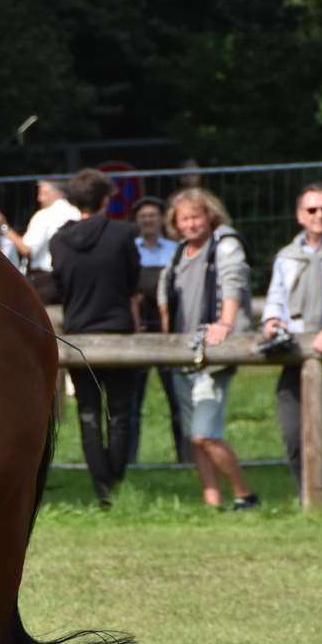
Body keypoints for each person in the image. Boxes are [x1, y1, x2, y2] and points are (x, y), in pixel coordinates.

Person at [157, 187, 258, 511]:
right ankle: (212, 503)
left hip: (213, 354)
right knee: (195, 437)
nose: (190, 224)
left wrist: (225, 323)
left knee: (204, 434)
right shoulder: (178, 253)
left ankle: (245, 495)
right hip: (183, 353)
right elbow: (164, 294)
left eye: (196, 217)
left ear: (210, 216)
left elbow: (233, 282)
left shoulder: (225, 245)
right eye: (184, 218)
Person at [50, 169, 142, 507]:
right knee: (120, 411)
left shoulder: (59, 240)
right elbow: (133, 282)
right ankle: (114, 484)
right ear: (106, 199)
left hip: (79, 334)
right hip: (119, 332)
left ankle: (103, 492)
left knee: (88, 413)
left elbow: (60, 286)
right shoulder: (123, 233)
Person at [260, 180, 322, 491]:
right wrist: (272, 321)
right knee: (293, 431)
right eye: (312, 210)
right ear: (300, 215)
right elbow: (276, 297)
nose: (320, 215)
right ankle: (309, 496)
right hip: (296, 354)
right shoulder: (286, 257)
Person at [130, 197, 185, 463]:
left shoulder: (175, 250)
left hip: (168, 329)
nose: (148, 220)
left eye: (152, 215)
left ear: (162, 219)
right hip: (138, 328)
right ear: (136, 220)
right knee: (134, 399)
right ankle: (130, 458)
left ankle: (184, 455)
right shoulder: (131, 249)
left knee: (176, 396)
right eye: (143, 216)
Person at [21, 178, 79, 305]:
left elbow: (27, 249)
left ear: (57, 193)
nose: (39, 199)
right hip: (74, 279)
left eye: (43, 193)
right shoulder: (76, 213)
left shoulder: (43, 216)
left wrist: (5, 229)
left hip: (46, 281)